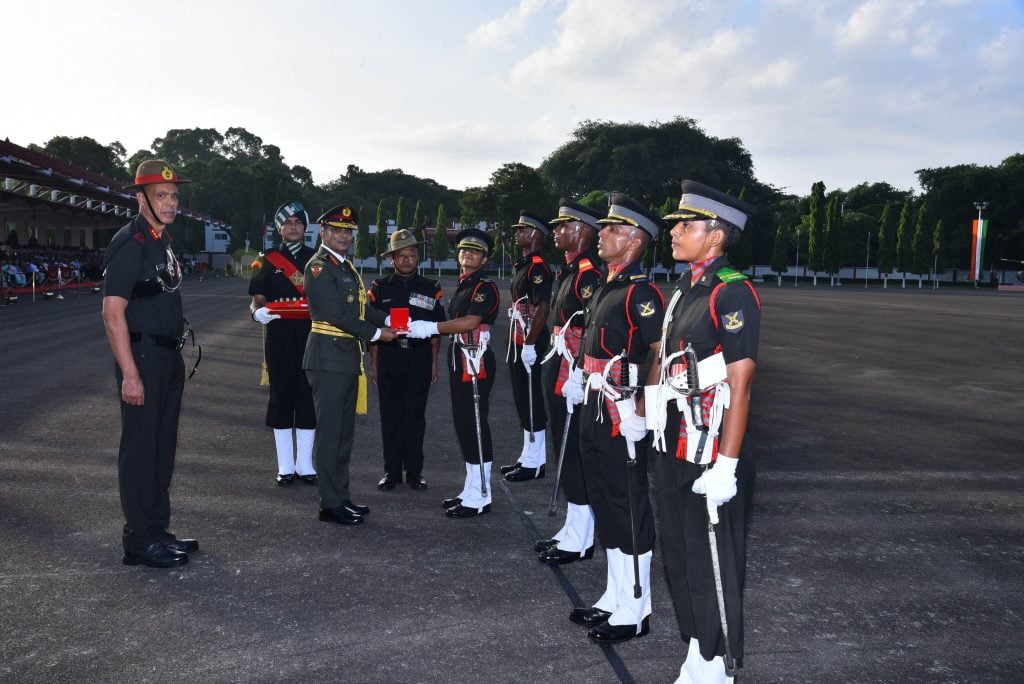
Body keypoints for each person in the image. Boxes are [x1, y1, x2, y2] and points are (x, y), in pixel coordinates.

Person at [647, 181, 760, 684]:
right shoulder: (685, 291)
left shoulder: (731, 291)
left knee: (711, 554)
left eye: (685, 224)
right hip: (674, 443)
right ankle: (696, 651)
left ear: (715, 236)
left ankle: (715, 667)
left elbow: (741, 380)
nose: (673, 231)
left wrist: (728, 465)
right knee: (679, 551)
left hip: (711, 448)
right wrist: (646, 415)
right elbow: (667, 363)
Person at [562, 194, 665, 645]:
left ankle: (637, 607)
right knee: (605, 502)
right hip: (593, 404)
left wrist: (643, 409)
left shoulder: (642, 294)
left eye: (612, 229)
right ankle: (615, 594)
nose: (601, 233)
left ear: (634, 241)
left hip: (621, 412)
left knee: (627, 503)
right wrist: (578, 377)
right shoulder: (608, 284)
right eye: (603, 227)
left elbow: (660, 357)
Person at [101, 159, 197, 569]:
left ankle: (157, 529)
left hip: (167, 356)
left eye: (174, 196)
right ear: (141, 198)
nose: (170, 202)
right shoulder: (131, 242)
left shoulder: (161, 240)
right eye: (161, 195)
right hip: (142, 358)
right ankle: (139, 540)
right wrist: (130, 374)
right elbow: (112, 312)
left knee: (162, 448)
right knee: (141, 450)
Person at [303, 205, 397, 526]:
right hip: (327, 359)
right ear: (324, 233)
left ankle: (341, 497)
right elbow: (337, 315)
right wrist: (377, 333)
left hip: (344, 359)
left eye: (348, 231)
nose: (344, 236)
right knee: (330, 435)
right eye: (337, 230)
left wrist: (388, 320)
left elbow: (362, 309)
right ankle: (329, 504)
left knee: (343, 436)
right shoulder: (319, 268)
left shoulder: (345, 267)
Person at [407, 228, 500, 518]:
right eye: (463, 250)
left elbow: (471, 322)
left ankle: (482, 494)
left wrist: (430, 328)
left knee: (474, 424)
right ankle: (471, 489)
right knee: (464, 425)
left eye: (474, 251)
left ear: (484, 259)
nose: (467, 254)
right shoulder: (464, 285)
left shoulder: (485, 287)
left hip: (476, 360)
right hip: (460, 356)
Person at [536, 199, 604, 565]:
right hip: (560, 362)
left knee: (575, 452)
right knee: (563, 445)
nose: (557, 231)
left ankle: (582, 536)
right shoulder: (568, 271)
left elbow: (591, 328)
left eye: (563, 226)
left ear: (582, 231)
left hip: (573, 369)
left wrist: (580, 372)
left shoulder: (589, 274)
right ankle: (573, 525)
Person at [368, 229, 445, 491]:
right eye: (400, 256)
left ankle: (415, 472)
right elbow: (373, 331)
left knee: (415, 417)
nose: (406, 260)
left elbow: (438, 329)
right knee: (390, 417)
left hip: (419, 359)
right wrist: (374, 365)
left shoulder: (431, 288)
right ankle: (390, 472)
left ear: (418, 258)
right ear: (392, 259)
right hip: (389, 358)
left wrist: (434, 363)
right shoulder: (379, 288)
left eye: (411, 255)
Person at [248, 201, 318, 487]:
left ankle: (305, 464)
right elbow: (257, 299)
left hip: (311, 337)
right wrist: (256, 313)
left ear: (304, 227)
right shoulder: (266, 259)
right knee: (280, 397)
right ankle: (285, 465)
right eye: (287, 223)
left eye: (298, 223)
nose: (293, 227)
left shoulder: (318, 259)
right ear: (280, 228)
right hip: (278, 339)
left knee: (307, 397)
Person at [501, 211, 553, 482]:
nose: (517, 234)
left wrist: (530, 344)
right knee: (522, 397)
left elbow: (543, 307)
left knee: (531, 399)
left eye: (521, 230)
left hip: (529, 337)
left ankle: (536, 463)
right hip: (518, 335)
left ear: (534, 234)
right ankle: (527, 455)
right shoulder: (523, 264)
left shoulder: (537, 267)